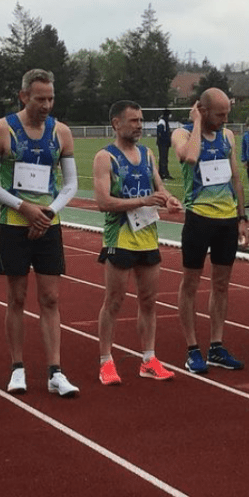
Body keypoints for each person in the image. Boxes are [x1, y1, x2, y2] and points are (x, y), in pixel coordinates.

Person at [0, 69, 80, 397]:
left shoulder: (61, 132)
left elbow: (71, 183)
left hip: (48, 225)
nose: (46, 105)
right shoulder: (1, 129)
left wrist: (49, 212)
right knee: (17, 298)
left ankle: (55, 371)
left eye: (51, 99)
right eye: (40, 99)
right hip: (14, 224)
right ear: (23, 97)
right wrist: (24, 208)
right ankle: (17, 368)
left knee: (51, 298)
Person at [93, 100, 184, 385]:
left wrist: (169, 199)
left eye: (141, 120)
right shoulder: (105, 158)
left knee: (148, 301)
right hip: (120, 237)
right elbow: (103, 202)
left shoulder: (147, 154)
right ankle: (106, 361)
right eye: (133, 121)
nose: (139, 126)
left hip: (148, 236)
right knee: (114, 301)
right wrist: (143, 201)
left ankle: (149, 359)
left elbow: (159, 187)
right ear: (116, 123)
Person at [171, 88, 249, 373]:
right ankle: (193, 348)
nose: (225, 119)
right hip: (199, 217)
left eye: (227, 113)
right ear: (202, 111)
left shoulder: (227, 136)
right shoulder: (182, 134)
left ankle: (216, 346)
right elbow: (190, 158)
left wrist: (242, 216)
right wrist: (197, 123)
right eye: (220, 114)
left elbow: (236, 178)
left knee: (221, 284)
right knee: (190, 284)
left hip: (227, 220)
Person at [156, 109, 173, 180]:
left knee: (165, 158)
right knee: (163, 158)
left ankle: (164, 173)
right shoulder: (162, 122)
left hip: (165, 143)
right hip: (162, 143)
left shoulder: (165, 121)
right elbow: (160, 133)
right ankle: (163, 174)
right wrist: (164, 140)